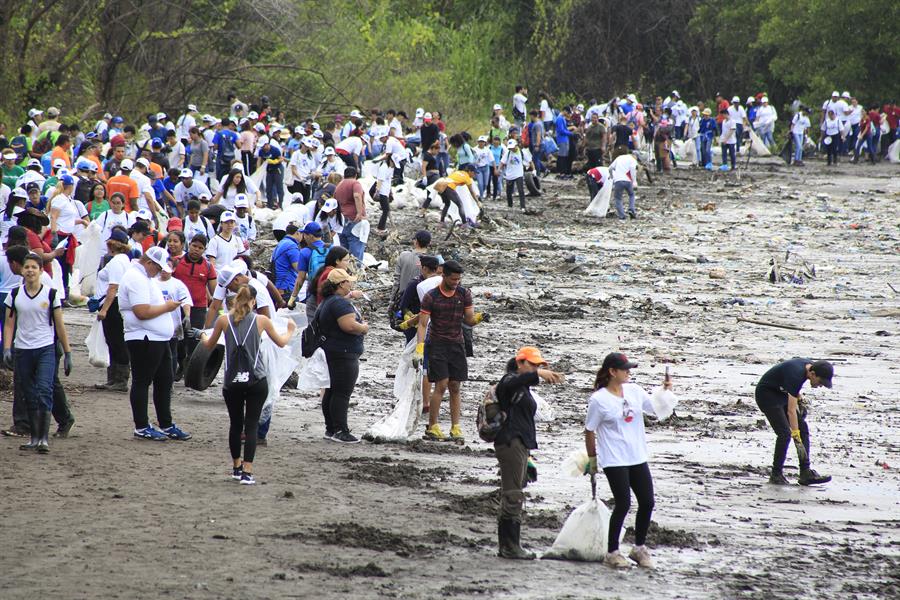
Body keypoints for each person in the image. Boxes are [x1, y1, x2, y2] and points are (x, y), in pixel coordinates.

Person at [198, 285, 294, 485]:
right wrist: (291, 330)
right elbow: (282, 342)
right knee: (251, 426)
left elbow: (209, 345)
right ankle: (247, 472)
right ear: (254, 301)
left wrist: (202, 335)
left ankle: (236, 466)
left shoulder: (224, 320)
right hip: (256, 379)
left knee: (235, 424)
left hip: (232, 381)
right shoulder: (262, 320)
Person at [583, 352, 672, 569]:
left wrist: (665, 391)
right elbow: (589, 430)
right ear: (612, 372)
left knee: (648, 501)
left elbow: (654, 408)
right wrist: (593, 460)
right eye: (625, 369)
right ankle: (612, 551)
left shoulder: (634, 391)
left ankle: (639, 548)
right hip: (614, 458)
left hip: (637, 455)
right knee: (623, 503)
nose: (629, 372)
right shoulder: (599, 400)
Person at [494, 347, 564, 559]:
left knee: (514, 491)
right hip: (510, 443)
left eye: (538, 365)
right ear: (519, 363)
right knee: (513, 494)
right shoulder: (508, 382)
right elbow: (509, 383)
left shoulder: (522, 387)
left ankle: (509, 545)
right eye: (532, 364)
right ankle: (509, 547)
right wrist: (538, 375)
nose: (536, 368)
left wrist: (529, 458)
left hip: (519, 444)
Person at [117, 247, 191, 441]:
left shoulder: (145, 278)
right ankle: (141, 426)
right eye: (157, 268)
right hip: (144, 338)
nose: (159, 273)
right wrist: (167, 307)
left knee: (165, 380)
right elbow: (141, 311)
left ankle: (165, 423)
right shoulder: (135, 278)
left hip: (158, 338)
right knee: (142, 381)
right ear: (149, 263)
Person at [3, 252, 73, 453]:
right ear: (21, 271)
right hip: (23, 350)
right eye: (27, 267)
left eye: (34, 267)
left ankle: (43, 438)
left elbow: (59, 325)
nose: (30, 271)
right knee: (28, 393)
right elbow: (9, 324)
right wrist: (7, 348)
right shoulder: (15, 294)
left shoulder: (50, 294)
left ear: (41, 270)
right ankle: (34, 437)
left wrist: (67, 353)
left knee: (44, 389)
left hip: (45, 348)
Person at [415, 260, 484, 441]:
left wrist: (478, 319)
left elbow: (468, 319)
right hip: (437, 344)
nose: (456, 282)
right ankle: (433, 426)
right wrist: (420, 347)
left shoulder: (464, 294)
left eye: (458, 279)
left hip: (457, 344)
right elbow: (422, 324)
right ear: (443, 275)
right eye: (453, 279)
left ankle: (456, 427)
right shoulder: (431, 296)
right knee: (442, 384)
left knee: (455, 386)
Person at [755, 359, 833, 486]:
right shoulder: (796, 375)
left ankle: (805, 472)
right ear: (812, 374)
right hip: (766, 395)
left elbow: (790, 384)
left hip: (780, 393)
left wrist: (799, 398)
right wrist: (796, 436)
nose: (820, 385)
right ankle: (776, 474)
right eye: (820, 382)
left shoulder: (809, 366)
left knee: (803, 428)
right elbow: (791, 411)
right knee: (785, 433)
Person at [317, 268, 369, 443]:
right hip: (343, 353)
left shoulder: (328, 301)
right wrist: (363, 327)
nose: (351, 284)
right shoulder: (339, 303)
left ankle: (331, 429)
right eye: (348, 281)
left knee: (332, 391)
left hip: (332, 351)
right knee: (342, 393)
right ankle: (341, 430)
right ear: (341, 284)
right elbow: (349, 326)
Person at [94, 228, 134, 391]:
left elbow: (113, 287)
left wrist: (104, 309)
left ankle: (120, 380)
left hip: (114, 304)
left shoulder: (117, 262)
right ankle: (114, 378)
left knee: (115, 340)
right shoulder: (123, 260)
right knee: (114, 340)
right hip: (117, 303)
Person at [333, 167, 367, 262]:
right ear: (355, 175)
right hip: (353, 219)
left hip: (342, 220)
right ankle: (355, 272)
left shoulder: (339, 185)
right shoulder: (355, 183)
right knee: (356, 247)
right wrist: (359, 213)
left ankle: (345, 272)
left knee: (344, 250)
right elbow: (357, 196)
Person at [608, 147, 638, 220]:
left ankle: (622, 216)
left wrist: (611, 176)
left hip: (618, 181)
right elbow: (632, 169)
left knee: (618, 198)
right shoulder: (632, 159)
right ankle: (631, 209)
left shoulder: (619, 158)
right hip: (628, 180)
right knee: (631, 195)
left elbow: (610, 168)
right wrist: (634, 181)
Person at [500, 140, 526, 210]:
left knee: (521, 190)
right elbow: (502, 162)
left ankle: (522, 206)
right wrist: (499, 170)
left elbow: (530, 160)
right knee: (508, 191)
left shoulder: (522, 152)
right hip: (509, 175)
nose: (511, 149)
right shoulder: (508, 153)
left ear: (516, 145)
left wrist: (533, 170)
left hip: (519, 174)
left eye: (512, 147)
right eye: (510, 148)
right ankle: (510, 205)